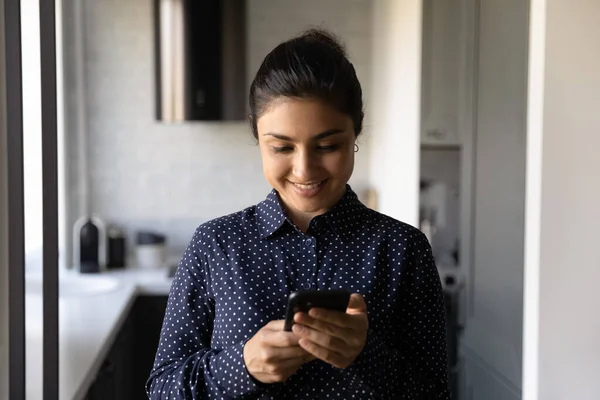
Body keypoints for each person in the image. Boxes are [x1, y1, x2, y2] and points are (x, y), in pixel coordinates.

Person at [146, 28, 450, 399]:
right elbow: (162, 389)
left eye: (327, 145)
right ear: (258, 139)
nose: (304, 170)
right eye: (282, 147)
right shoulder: (216, 245)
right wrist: (242, 367)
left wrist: (365, 355)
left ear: (356, 131)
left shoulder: (403, 250)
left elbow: (435, 393)